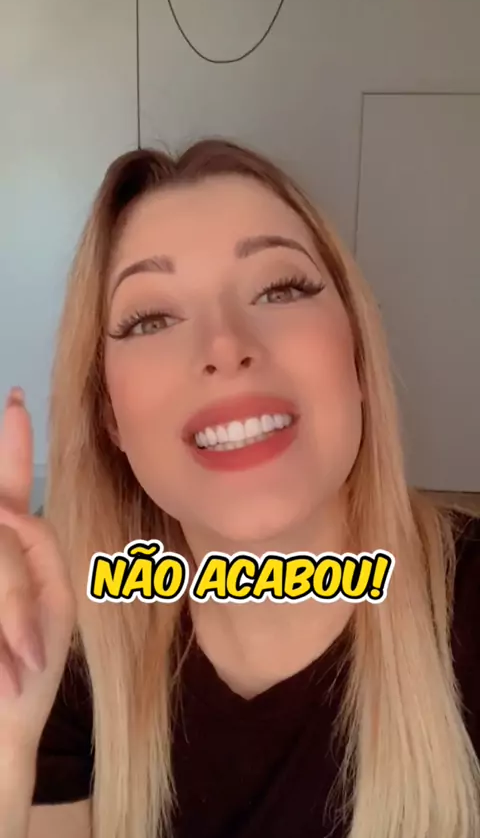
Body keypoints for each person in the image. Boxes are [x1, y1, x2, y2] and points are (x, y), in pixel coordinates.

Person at [0, 139, 478, 838]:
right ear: (110, 417)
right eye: (151, 319)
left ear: (356, 353)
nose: (225, 346)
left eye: (280, 289)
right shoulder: (70, 639)